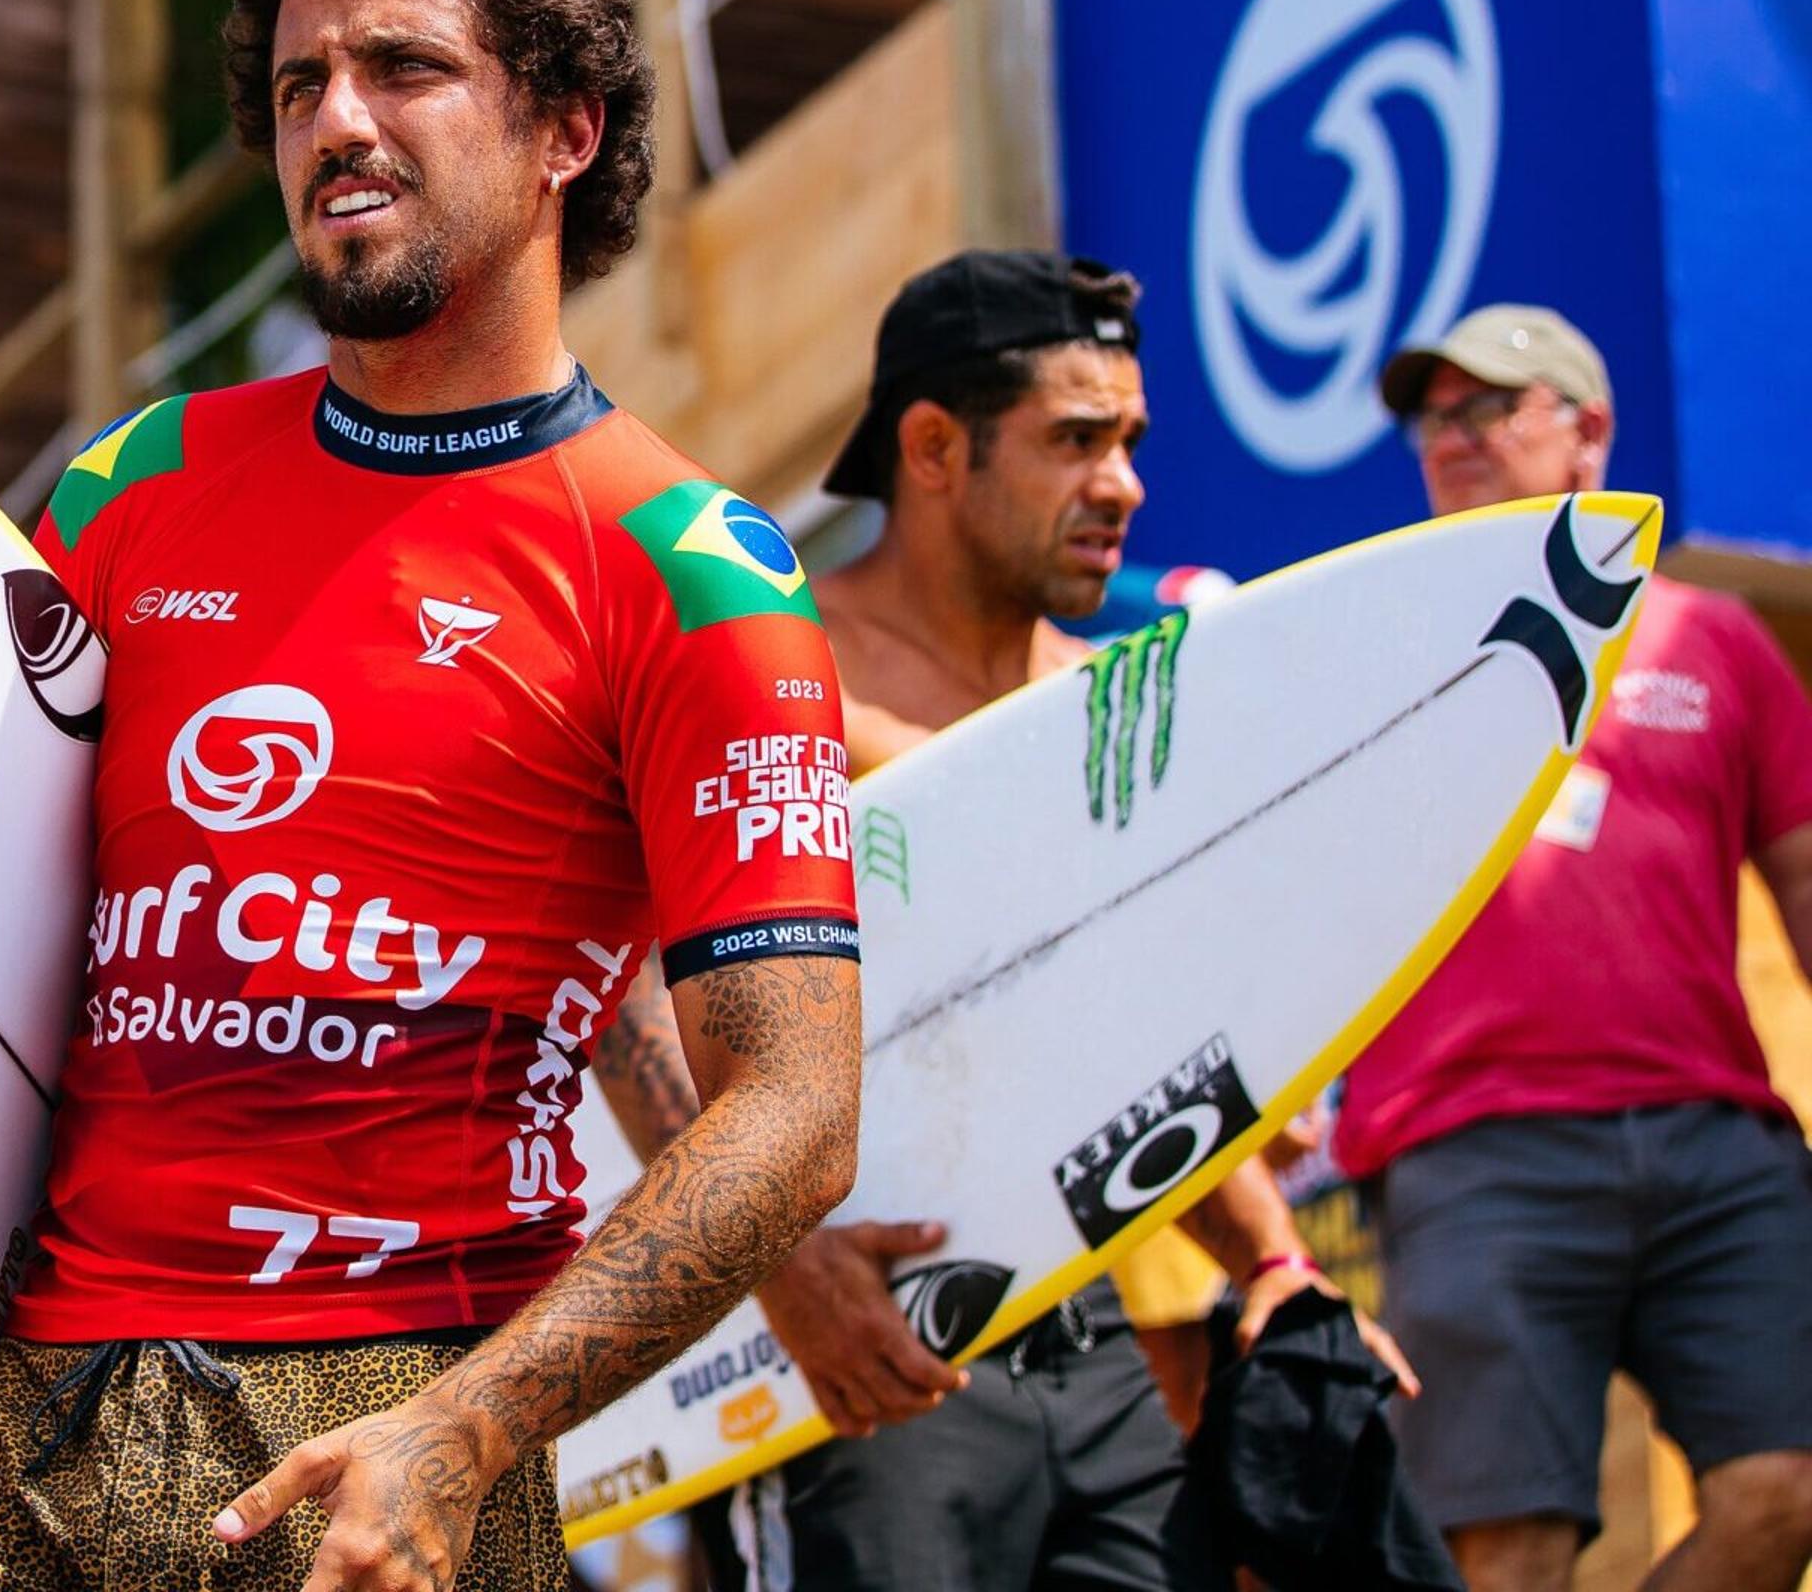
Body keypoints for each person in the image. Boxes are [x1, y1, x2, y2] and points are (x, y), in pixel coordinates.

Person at [0, 0, 869, 1592]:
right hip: (34, 1412)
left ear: (567, 130)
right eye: (304, 82)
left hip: (384, 1426)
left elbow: (799, 1106)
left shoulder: (694, 566)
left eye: (405, 67)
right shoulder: (133, 487)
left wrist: (472, 1424)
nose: (339, 122)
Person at [603, 251, 1409, 1592]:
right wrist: (781, 1268)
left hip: (1077, 1328)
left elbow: (1131, 1042)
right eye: (1077, 440)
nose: (1126, 486)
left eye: (1132, 442)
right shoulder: (773, 678)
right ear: (933, 448)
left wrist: (1273, 1262)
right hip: (837, 1344)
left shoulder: (1109, 710)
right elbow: (619, 987)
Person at [1344, 304, 1812, 1592]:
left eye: (1490, 407)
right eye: (1435, 418)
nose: (1453, 439)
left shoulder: (1717, 639)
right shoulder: (1373, 643)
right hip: (1470, 1146)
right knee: (1506, 1557)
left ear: (1587, 429)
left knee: (1785, 1494)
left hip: (1718, 1138)